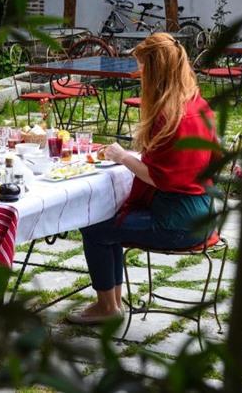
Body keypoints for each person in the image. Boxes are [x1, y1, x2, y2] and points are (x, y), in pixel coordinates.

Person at [66, 32, 218, 325]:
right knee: (106, 220)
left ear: (156, 70)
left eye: (143, 68)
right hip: (204, 214)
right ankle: (112, 303)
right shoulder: (196, 105)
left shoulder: (170, 116)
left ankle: (107, 307)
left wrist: (124, 157)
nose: (140, 75)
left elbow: (161, 179)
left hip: (178, 222)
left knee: (95, 226)